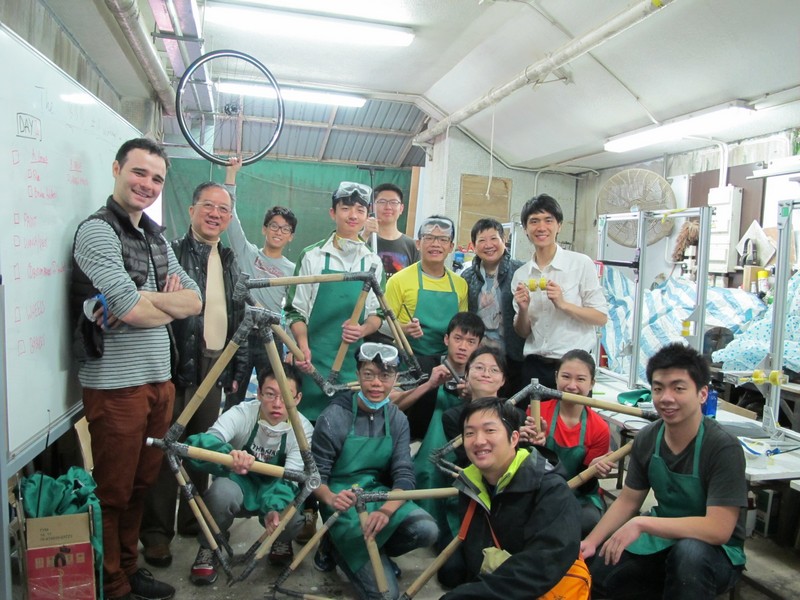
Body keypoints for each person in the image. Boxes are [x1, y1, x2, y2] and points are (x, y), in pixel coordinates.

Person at [70, 137, 202, 600]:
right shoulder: (97, 232)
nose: (147, 184)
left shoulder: (155, 235)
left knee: (141, 486)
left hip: (157, 382)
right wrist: (154, 303)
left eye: (157, 178)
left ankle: (127, 569)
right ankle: (112, 584)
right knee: (113, 492)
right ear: (116, 169)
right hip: (115, 386)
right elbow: (133, 309)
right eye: (139, 172)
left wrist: (145, 301)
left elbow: (195, 299)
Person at [140, 179, 250, 567]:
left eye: (223, 209)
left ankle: (192, 520)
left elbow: (240, 319)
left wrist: (237, 368)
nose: (215, 214)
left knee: (200, 450)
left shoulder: (232, 260)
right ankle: (156, 534)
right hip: (176, 366)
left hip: (216, 366)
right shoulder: (169, 255)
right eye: (208, 206)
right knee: (165, 450)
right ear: (191, 210)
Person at [581, 342, 747, 599]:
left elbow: (718, 528)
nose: (666, 397)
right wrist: (591, 542)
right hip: (663, 539)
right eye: (658, 388)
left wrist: (642, 523)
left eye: (679, 388)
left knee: (689, 554)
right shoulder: (648, 438)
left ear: (702, 394)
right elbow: (628, 500)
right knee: (602, 569)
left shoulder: (722, 447)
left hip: (716, 552)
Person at [311, 343, 438, 600]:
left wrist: (385, 510)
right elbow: (315, 476)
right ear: (357, 375)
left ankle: (376, 550)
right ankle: (334, 545)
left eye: (385, 376)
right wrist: (331, 499)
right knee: (386, 596)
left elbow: (404, 474)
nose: (376, 384)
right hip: (342, 500)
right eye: (369, 374)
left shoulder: (397, 419)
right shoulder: (334, 416)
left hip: (378, 495)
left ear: (395, 379)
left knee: (427, 530)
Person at [438, 397, 583, 597]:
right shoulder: (471, 485)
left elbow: (542, 566)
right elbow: (477, 558)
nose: (479, 441)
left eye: (490, 430)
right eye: (470, 433)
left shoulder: (550, 488)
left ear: (514, 438)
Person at [184, 363, 314, 584]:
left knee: (290, 517)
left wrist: (275, 509)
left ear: (298, 399)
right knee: (219, 495)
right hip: (238, 481)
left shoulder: (303, 429)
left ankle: (280, 539)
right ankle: (210, 545)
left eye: (286, 397)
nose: (277, 404)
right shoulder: (242, 413)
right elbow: (202, 446)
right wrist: (228, 457)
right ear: (258, 393)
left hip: (274, 487)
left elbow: (290, 479)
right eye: (270, 394)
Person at [284, 181, 385, 423]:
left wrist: (362, 330)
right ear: (333, 213)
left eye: (360, 210)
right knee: (304, 427)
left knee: (341, 426)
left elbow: (376, 313)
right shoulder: (312, 255)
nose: (353, 215)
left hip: (350, 366)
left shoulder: (372, 262)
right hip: (311, 362)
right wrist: (302, 345)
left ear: (367, 216)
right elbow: (295, 310)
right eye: (346, 208)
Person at [394, 312, 484, 548]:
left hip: (464, 450)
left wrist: (474, 397)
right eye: (458, 338)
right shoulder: (424, 365)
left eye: (471, 342)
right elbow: (393, 404)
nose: (463, 346)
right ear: (446, 339)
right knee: (426, 469)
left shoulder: (481, 375)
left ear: (479, 346)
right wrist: (429, 385)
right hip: (421, 443)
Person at [511, 194, 608, 390]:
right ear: (525, 229)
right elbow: (523, 331)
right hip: (535, 366)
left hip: (573, 368)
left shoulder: (580, 264)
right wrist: (523, 309)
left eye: (548, 220)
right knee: (533, 421)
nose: (541, 227)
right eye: (534, 221)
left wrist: (564, 304)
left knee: (572, 421)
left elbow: (600, 317)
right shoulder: (521, 275)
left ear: (559, 225)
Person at [385, 215, 468, 438]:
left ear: (451, 247)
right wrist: (403, 329)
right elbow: (381, 325)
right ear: (418, 243)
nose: (435, 244)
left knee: (437, 427)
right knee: (402, 425)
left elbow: (462, 329)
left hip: (446, 367)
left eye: (442, 239)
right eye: (429, 238)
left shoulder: (460, 284)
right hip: (408, 363)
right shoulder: (399, 280)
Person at [223, 157, 297, 408]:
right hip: (241, 334)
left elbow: (294, 311)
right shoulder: (247, 253)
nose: (278, 231)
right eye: (273, 226)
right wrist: (231, 175)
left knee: (272, 396)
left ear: (290, 237)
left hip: (271, 336)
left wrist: (290, 350)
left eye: (285, 229)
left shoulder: (292, 270)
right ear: (264, 229)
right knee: (234, 393)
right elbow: (230, 217)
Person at [520, 349, 613, 537]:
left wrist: (592, 470)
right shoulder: (538, 412)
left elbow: (586, 486)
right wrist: (535, 446)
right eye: (566, 377)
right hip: (540, 491)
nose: (571, 385)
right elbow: (524, 468)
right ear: (556, 377)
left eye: (580, 379)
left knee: (586, 519)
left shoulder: (599, 428)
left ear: (592, 383)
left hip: (579, 495)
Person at [460, 218, 524, 395]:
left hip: (513, 357)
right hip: (479, 357)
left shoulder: (521, 271)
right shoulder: (467, 276)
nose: (488, 245)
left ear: (504, 241)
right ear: (473, 245)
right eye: (482, 240)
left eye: (494, 238)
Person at [441, 346, 511, 468]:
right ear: (466, 374)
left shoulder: (515, 414)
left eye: (494, 370)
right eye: (479, 368)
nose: (486, 374)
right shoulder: (453, 417)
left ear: (503, 380)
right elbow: (467, 460)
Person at [362, 182, 418, 277]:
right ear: (371, 207)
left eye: (394, 202)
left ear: (401, 208)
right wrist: (365, 234)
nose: (388, 207)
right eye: (382, 202)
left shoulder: (411, 245)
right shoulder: (363, 239)